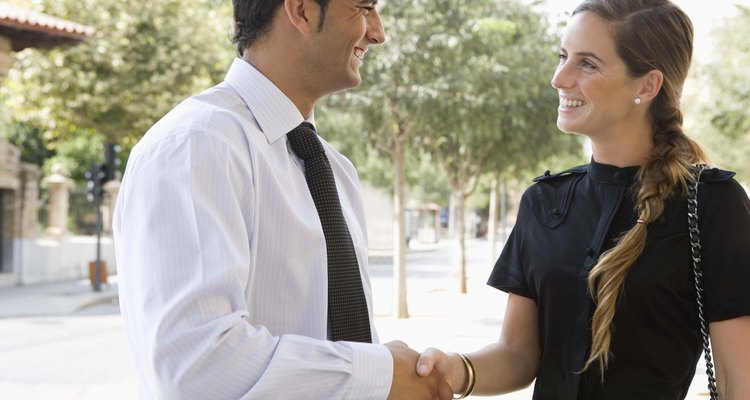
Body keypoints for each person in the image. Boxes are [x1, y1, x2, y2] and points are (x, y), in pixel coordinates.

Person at [113, 0, 452, 399]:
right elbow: (195, 367)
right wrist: (378, 373)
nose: (378, 33)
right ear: (303, 10)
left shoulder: (335, 170)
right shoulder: (196, 145)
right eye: (363, 8)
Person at [415, 0, 750, 399]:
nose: (559, 78)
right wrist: (457, 370)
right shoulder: (542, 202)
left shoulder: (712, 204)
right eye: (562, 57)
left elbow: (737, 380)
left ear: (646, 85)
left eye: (587, 63)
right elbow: (519, 354)